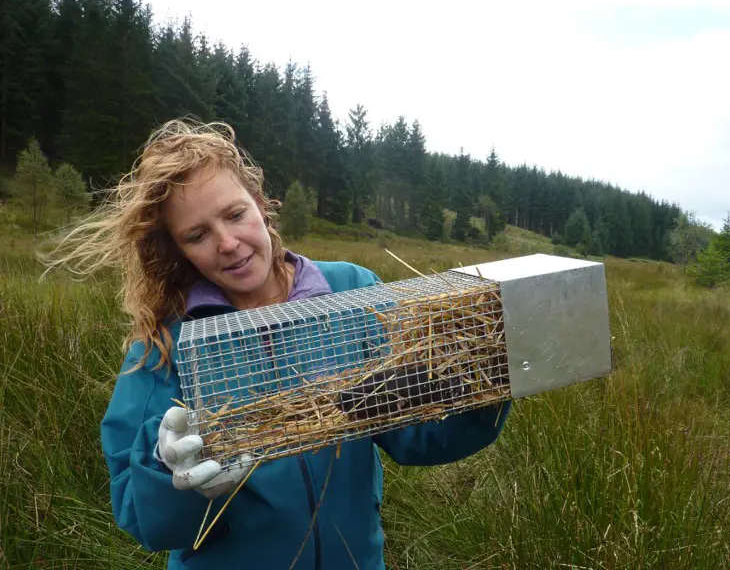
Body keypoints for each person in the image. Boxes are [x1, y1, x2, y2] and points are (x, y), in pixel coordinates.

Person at [45, 119, 511, 569]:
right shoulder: (166, 343)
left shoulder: (354, 292)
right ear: (177, 249)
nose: (227, 243)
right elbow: (140, 515)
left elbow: (418, 436)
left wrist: (478, 384)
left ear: (261, 205)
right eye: (197, 234)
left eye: (234, 214)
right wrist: (168, 472)